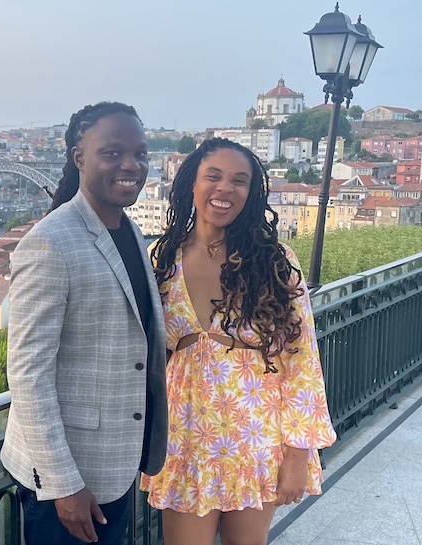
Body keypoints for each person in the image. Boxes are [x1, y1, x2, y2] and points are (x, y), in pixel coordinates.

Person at [141, 138, 337, 545]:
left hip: (256, 435)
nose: (224, 189)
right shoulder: (161, 258)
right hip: (186, 434)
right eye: (213, 176)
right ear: (190, 184)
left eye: (239, 180)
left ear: (252, 193)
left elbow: (302, 360)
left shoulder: (275, 259)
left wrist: (299, 454)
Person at [0, 101, 168, 545]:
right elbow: (27, 373)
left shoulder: (129, 231)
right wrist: (62, 484)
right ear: (79, 159)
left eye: (141, 153)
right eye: (112, 153)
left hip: (116, 460)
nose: (131, 165)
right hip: (67, 481)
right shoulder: (50, 244)